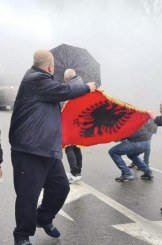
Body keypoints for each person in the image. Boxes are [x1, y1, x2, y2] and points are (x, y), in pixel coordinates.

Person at [9, 49, 96, 245]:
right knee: (27, 196)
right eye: (54, 66)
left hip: (48, 149)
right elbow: (65, 90)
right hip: (29, 149)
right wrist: (86, 87)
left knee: (60, 188)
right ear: (50, 66)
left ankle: (43, 218)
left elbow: (60, 94)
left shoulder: (43, 84)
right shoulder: (34, 79)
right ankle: (21, 235)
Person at [63, 69, 83, 183]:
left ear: (67, 78)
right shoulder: (81, 83)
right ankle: (78, 171)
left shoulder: (71, 87)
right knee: (76, 146)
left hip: (72, 120)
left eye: (64, 78)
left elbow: (66, 103)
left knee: (69, 146)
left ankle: (75, 173)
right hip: (81, 120)